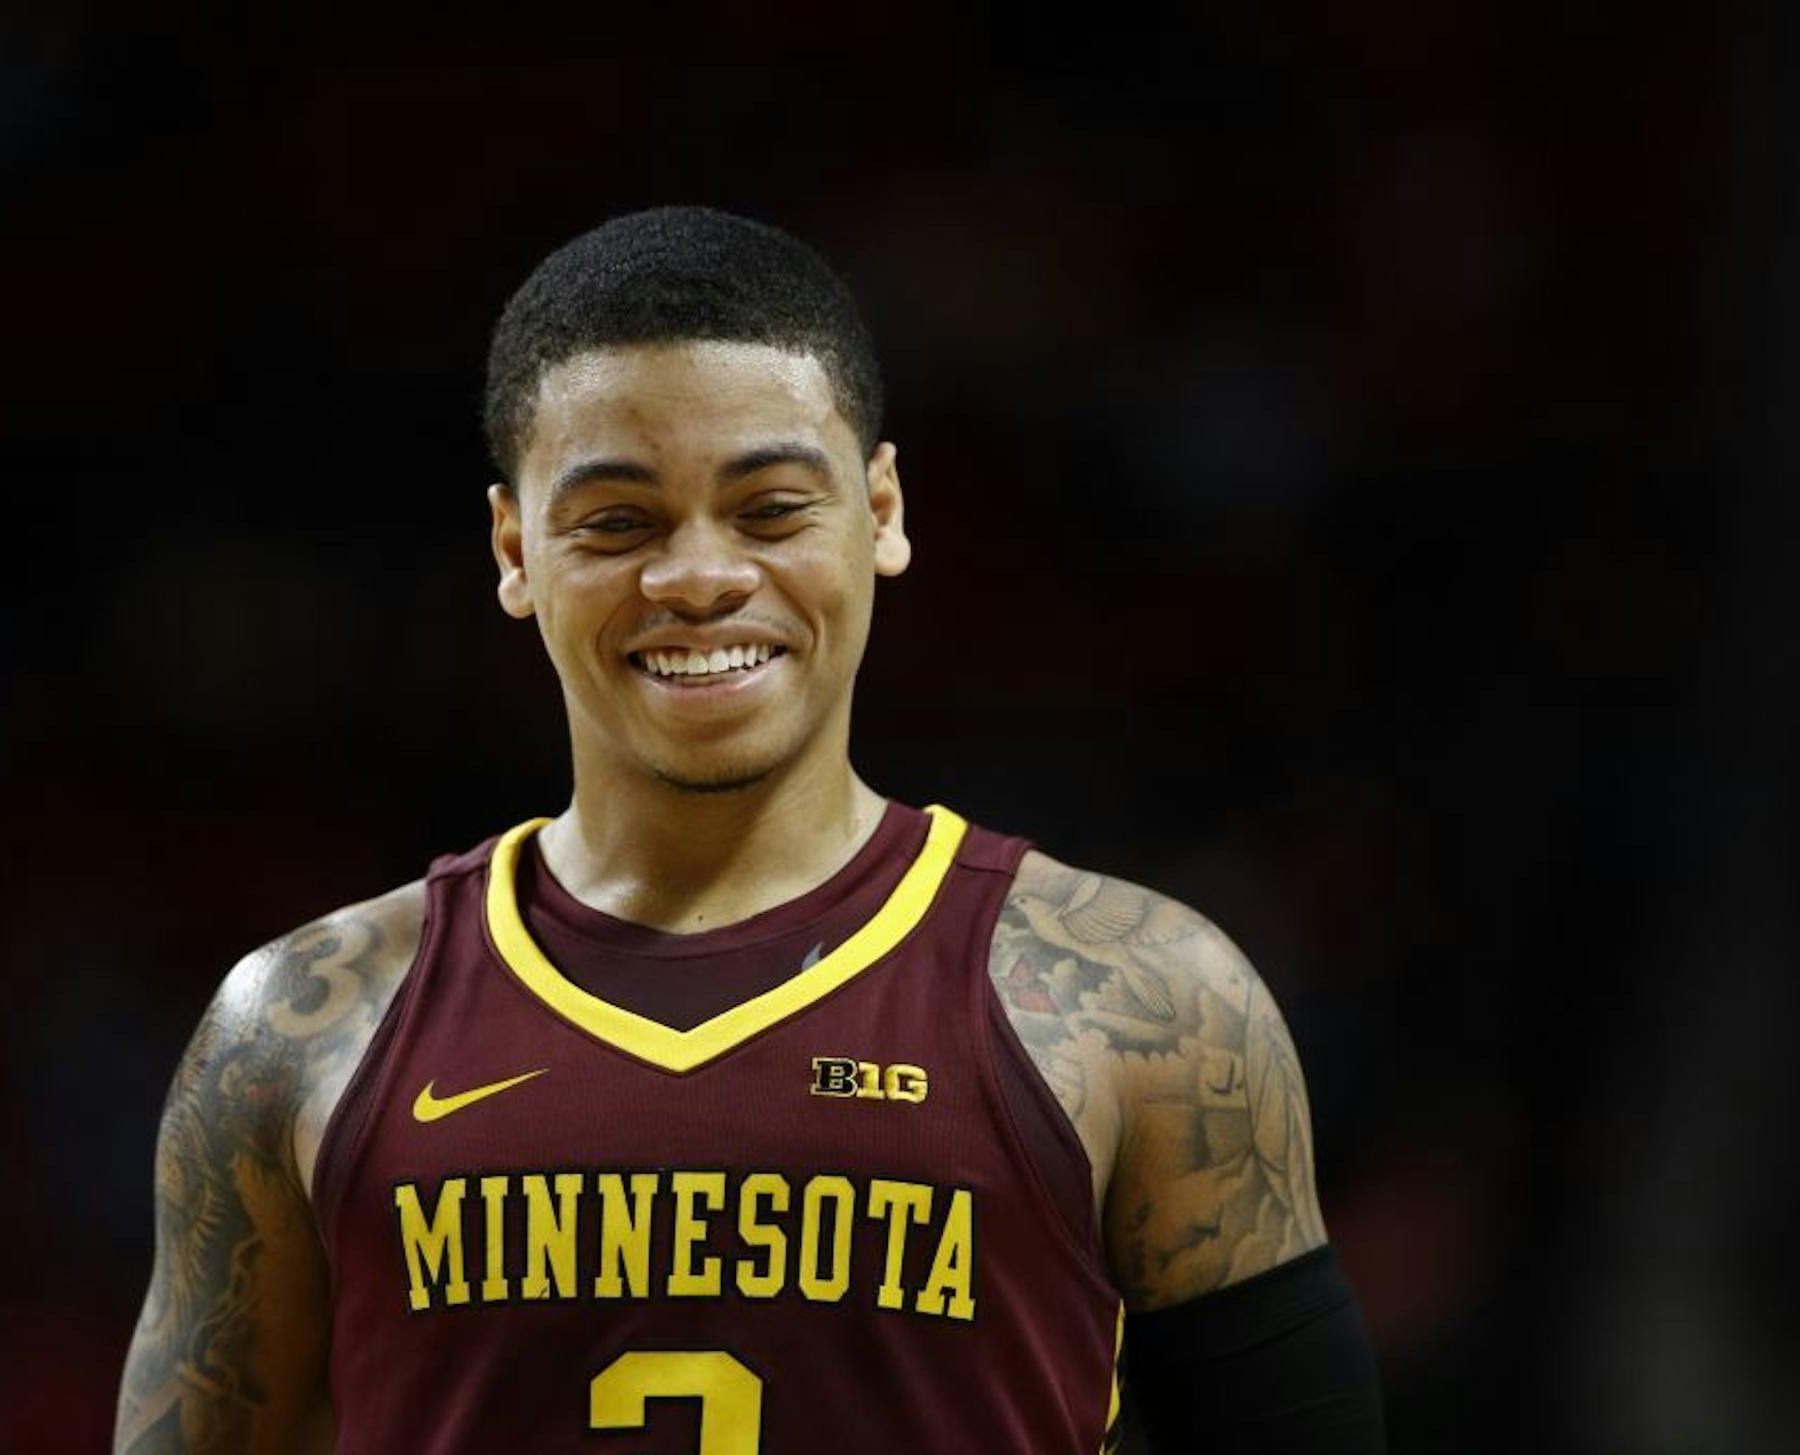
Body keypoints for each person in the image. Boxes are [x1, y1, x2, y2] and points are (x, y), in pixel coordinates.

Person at [113, 206, 1386, 1454]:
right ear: (514, 547)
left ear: (880, 512)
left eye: (771, 509)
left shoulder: (1146, 999)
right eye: (618, 523)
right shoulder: (294, 1029)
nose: (700, 577)